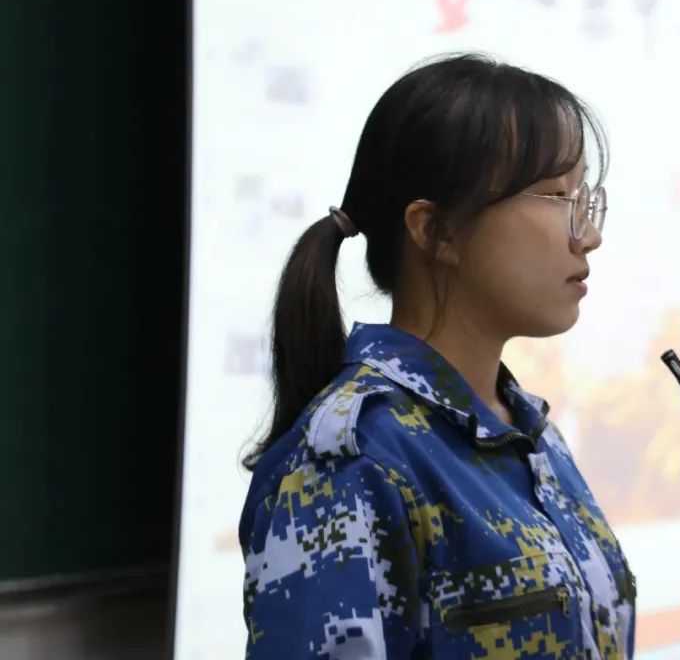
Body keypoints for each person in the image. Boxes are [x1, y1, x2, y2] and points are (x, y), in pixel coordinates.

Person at [238, 53, 635, 659]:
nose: (590, 235)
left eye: (583, 197)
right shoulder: (355, 461)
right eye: (557, 196)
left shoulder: (532, 436)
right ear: (436, 230)